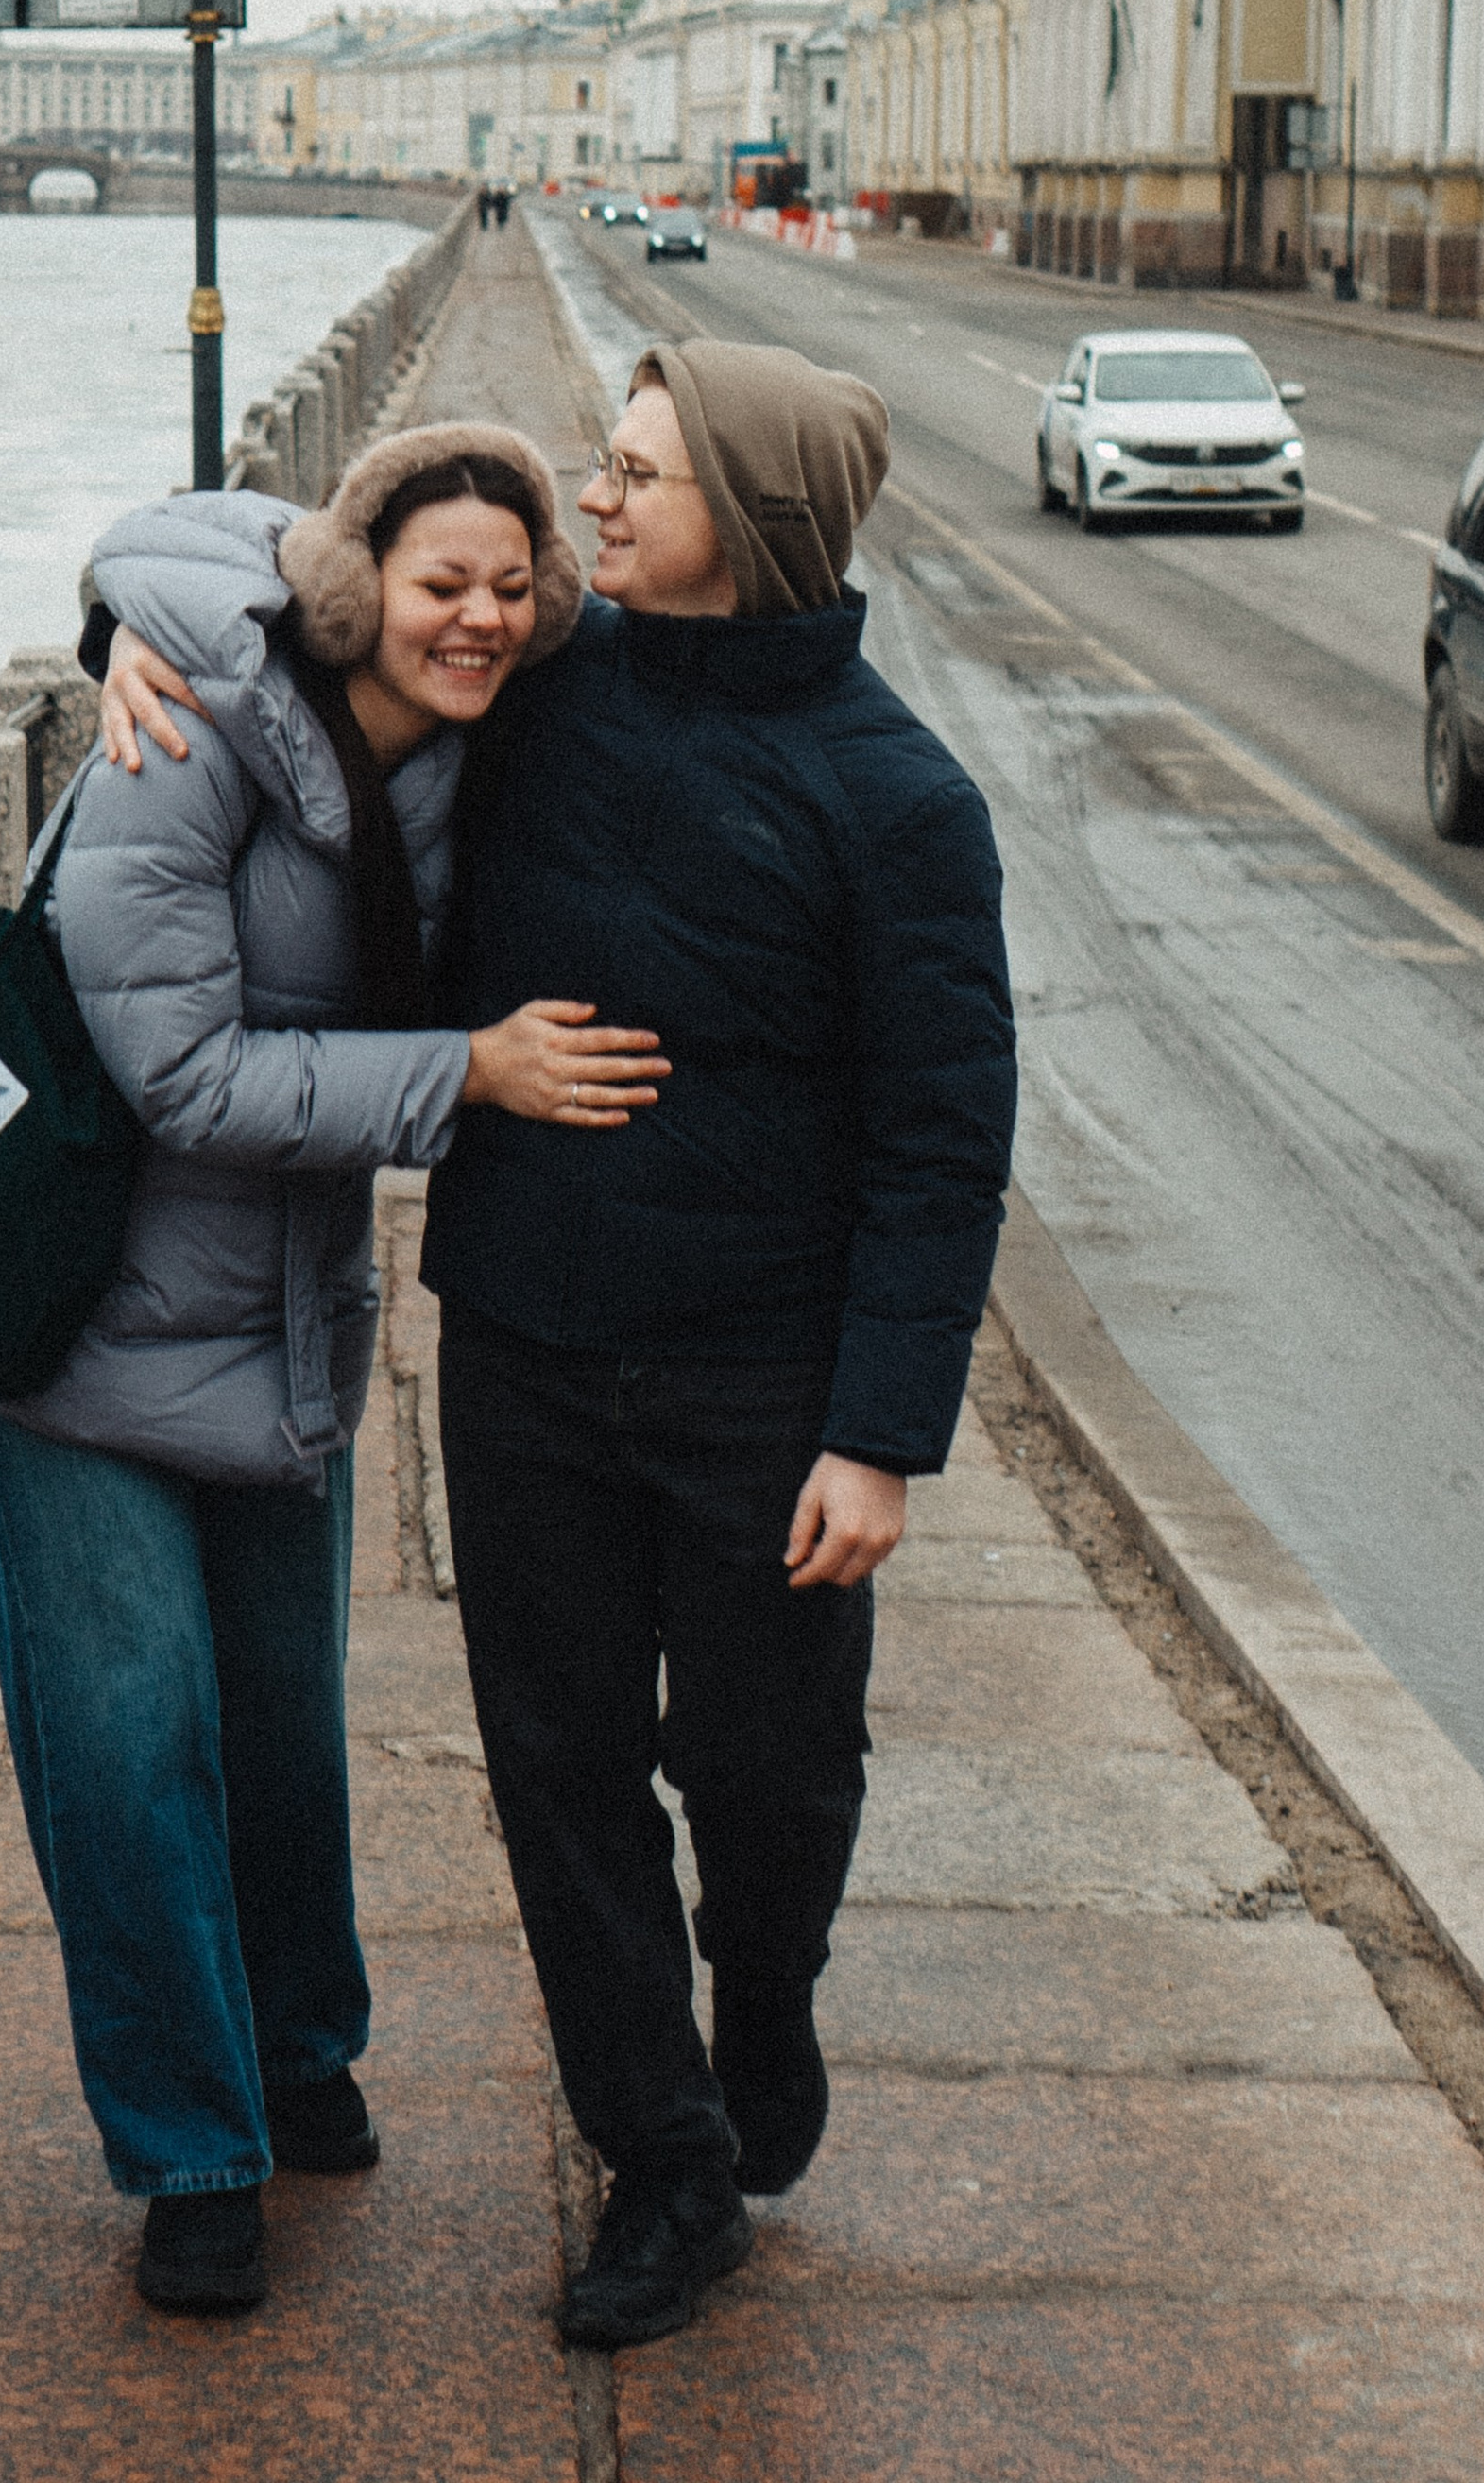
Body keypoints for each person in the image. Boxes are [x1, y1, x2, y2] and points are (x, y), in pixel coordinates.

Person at [85, 337, 1017, 2354]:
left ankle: (759, 1998)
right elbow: (249, 566)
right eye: (601, 467)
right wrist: (118, 647)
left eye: (634, 476)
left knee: (762, 1776)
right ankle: (661, 2158)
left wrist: (880, 1435)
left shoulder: (900, 804)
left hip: (765, 1390)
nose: (591, 509)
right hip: (521, 1347)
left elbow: (944, 1147)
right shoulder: (538, 696)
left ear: (744, 524)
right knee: (560, 1769)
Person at [0, 421, 670, 2322]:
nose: (474, 617)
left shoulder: (477, 752)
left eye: (508, 590)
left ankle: (297, 2053)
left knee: (281, 1731)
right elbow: (183, 1080)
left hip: (285, 1327)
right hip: (84, 1318)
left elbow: (700, 666)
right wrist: (468, 1075)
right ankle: (191, 2153)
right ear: (363, 585)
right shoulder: (181, 736)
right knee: (131, 1747)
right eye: (440, 583)